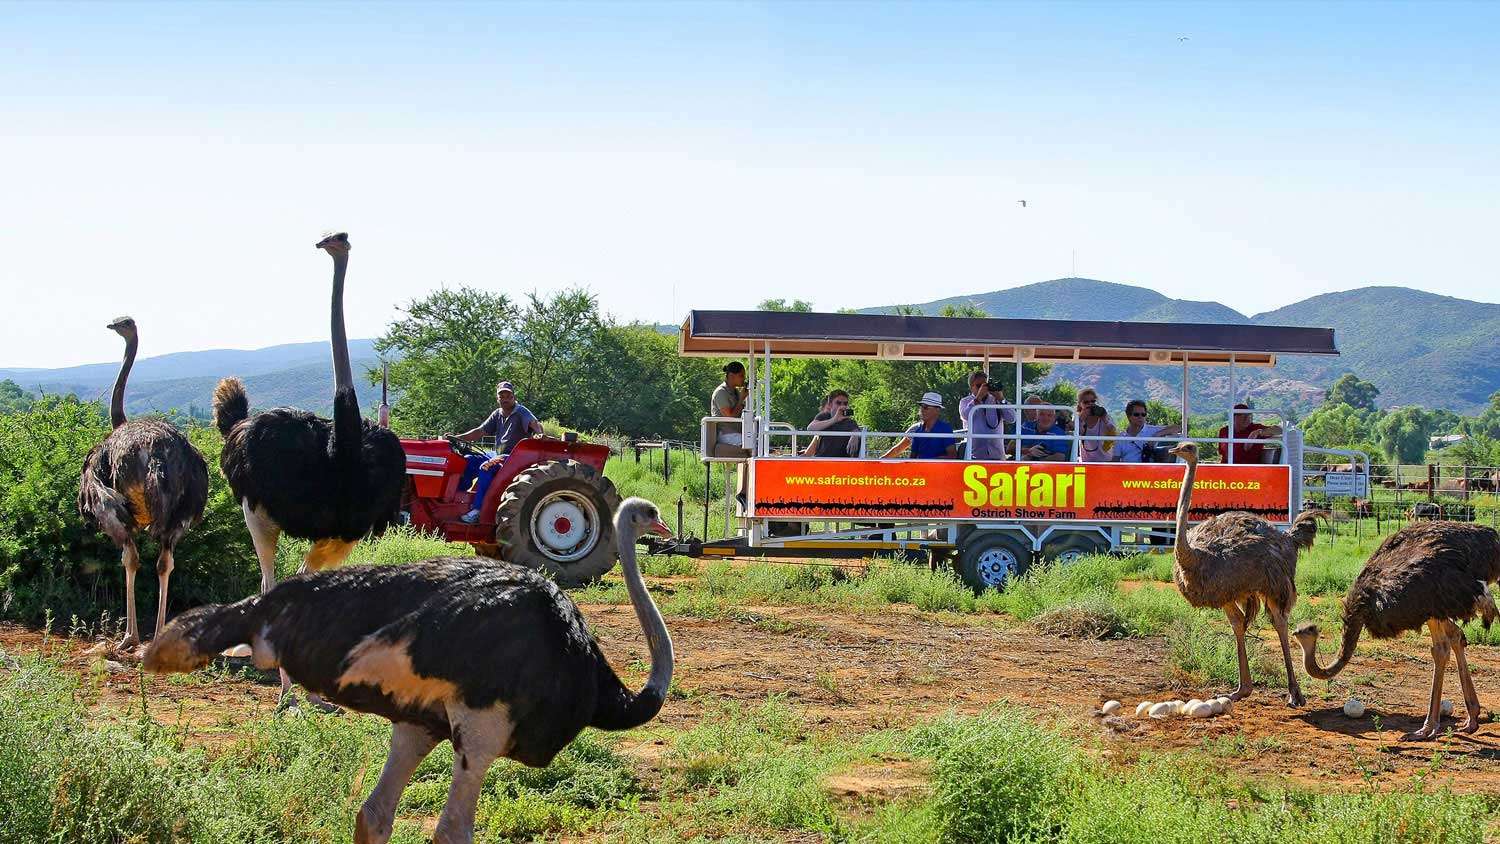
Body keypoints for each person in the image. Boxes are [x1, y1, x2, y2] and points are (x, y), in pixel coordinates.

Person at [448, 380, 545, 523]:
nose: (505, 399)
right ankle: (457, 500)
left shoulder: (521, 412)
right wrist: (457, 438)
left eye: (508, 396)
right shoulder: (497, 414)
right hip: (496, 454)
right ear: (497, 398)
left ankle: (478, 510)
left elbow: (534, 424)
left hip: (512, 457)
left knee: (486, 467)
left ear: (514, 397)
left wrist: (539, 433)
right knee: (467, 460)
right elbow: (480, 431)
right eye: (502, 396)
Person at [881, 392, 957, 459]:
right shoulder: (916, 430)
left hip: (938, 470)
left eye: (926, 407)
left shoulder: (945, 429)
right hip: (920, 469)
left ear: (937, 410)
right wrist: (879, 461)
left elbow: (952, 456)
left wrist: (927, 462)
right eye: (921, 406)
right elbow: (908, 455)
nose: (922, 410)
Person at [1112, 399, 1183, 463]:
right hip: (1128, 471)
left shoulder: (1152, 430)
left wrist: (1156, 436)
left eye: (1143, 414)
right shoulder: (1121, 438)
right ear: (1129, 416)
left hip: (1150, 470)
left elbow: (1178, 428)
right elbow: (1115, 460)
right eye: (1136, 414)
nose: (1140, 417)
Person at [1218, 402, 1283, 464]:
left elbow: (1279, 430)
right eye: (1243, 416)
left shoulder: (1255, 428)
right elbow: (1222, 452)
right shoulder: (1224, 431)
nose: (1247, 418)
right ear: (1234, 417)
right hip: (1226, 467)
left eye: (1248, 415)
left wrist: (1258, 432)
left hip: (1249, 468)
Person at [804, 389, 862, 457]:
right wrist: (834, 419)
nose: (842, 406)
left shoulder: (849, 422)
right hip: (822, 460)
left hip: (841, 461)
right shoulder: (824, 416)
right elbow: (810, 428)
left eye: (845, 403)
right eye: (838, 403)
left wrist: (855, 435)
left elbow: (856, 430)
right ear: (830, 405)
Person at [709, 361, 749, 457]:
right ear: (731, 376)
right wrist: (741, 400)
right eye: (741, 376)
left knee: (757, 441)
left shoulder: (736, 392)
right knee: (752, 445)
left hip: (737, 433)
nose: (744, 379)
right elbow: (730, 416)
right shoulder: (721, 392)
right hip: (726, 434)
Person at [966, 378, 1010, 461]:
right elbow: (966, 416)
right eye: (979, 386)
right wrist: (978, 398)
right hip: (975, 455)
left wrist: (1001, 399)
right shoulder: (965, 401)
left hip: (997, 455)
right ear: (971, 387)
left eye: (985, 385)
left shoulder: (996, 400)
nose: (983, 388)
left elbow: (1012, 418)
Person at [1018, 396, 1071, 461]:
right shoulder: (1026, 427)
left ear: (1054, 418)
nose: (1045, 418)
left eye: (1049, 415)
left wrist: (1035, 461)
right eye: (1042, 414)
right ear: (1036, 416)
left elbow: (1060, 457)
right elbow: (1010, 449)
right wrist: (1028, 451)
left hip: (1042, 465)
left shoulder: (1058, 433)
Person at [1074, 388, 1118, 462]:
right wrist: (1081, 419)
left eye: (1093, 401)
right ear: (1080, 404)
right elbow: (1077, 434)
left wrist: (1105, 419)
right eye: (1086, 402)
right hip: (1086, 461)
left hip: (1106, 460)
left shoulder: (1104, 417)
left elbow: (1113, 432)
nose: (1090, 404)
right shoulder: (1078, 418)